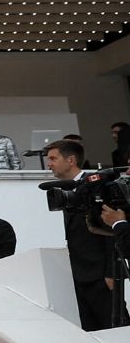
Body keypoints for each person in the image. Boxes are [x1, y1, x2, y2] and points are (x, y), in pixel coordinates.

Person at [47, 140, 119, 330]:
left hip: (102, 275)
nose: (49, 164)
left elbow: (111, 231)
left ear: (71, 160)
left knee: (115, 328)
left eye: (53, 158)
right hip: (79, 276)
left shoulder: (98, 184)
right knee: (89, 332)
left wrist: (111, 273)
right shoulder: (66, 190)